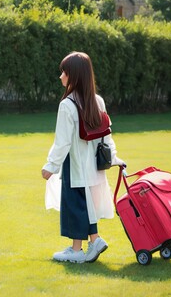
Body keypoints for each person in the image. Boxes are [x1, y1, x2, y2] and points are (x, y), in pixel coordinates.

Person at [41, 51, 124, 264]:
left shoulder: (67, 105)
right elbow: (106, 137)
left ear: (74, 76)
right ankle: (81, 246)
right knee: (83, 206)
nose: (61, 77)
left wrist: (50, 166)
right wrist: (113, 158)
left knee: (75, 206)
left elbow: (63, 142)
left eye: (64, 72)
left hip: (75, 164)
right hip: (94, 166)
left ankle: (85, 246)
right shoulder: (98, 101)